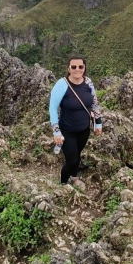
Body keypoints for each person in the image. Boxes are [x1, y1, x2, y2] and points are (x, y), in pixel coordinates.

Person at [48, 55, 103, 189]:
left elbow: (94, 104)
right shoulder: (62, 84)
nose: (77, 69)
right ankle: (63, 183)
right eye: (74, 67)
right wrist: (56, 132)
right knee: (72, 160)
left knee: (77, 155)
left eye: (80, 66)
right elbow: (53, 108)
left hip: (84, 129)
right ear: (69, 68)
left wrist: (99, 123)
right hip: (67, 130)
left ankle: (74, 177)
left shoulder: (88, 82)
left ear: (84, 68)